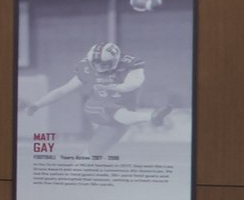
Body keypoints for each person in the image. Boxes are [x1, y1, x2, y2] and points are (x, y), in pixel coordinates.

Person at [20, 40, 163, 150]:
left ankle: (77, 174)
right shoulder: (86, 67)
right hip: (96, 108)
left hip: (124, 113)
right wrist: (37, 104)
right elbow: (63, 90)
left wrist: (119, 87)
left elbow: (136, 82)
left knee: (91, 155)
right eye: (96, 63)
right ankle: (151, 116)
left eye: (104, 63)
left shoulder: (130, 64)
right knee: (99, 105)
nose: (100, 67)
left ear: (116, 59)